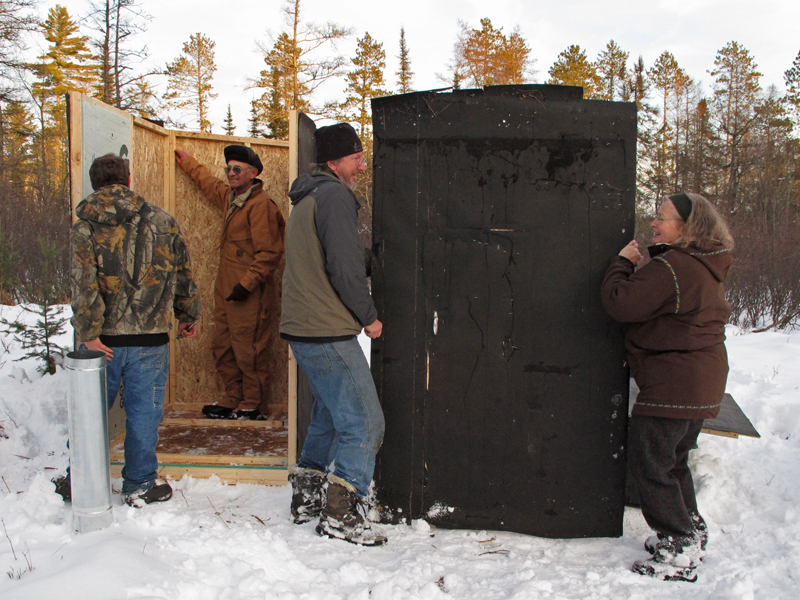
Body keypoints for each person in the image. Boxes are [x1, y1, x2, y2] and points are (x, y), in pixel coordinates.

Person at [601, 192, 734, 582]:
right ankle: (691, 532)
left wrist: (622, 263)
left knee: (651, 462)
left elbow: (620, 302)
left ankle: (680, 546)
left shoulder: (675, 266)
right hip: (699, 381)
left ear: (687, 228)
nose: (654, 224)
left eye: (662, 218)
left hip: (676, 384)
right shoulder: (702, 264)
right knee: (672, 462)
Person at [68, 153, 201, 506]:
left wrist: (88, 333)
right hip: (150, 339)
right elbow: (182, 273)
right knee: (144, 414)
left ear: (96, 182)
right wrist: (187, 315)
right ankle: (140, 483)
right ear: (128, 180)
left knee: (89, 410)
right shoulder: (162, 221)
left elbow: (83, 284)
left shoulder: (85, 227)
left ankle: (78, 478)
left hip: (102, 342)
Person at [280, 122, 386, 546]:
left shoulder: (308, 198)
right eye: (356, 158)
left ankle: (307, 499)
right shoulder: (336, 196)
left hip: (303, 327)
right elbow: (342, 266)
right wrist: (368, 315)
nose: (362, 165)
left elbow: (329, 255)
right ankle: (342, 514)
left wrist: (369, 258)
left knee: (326, 414)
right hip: (326, 330)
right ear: (333, 162)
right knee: (364, 421)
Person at [175, 145, 285, 420]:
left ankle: (252, 403)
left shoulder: (261, 206)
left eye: (237, 169)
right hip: (226, 291)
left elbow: (269, 253)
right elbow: (208, 184)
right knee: (222, 345)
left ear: (253, 173)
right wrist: (188, 162)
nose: (231, 174)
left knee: (249, 349)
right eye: (229, 169)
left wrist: (245, 285)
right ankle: (231, 397)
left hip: (249, 293)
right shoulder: (231, 199)